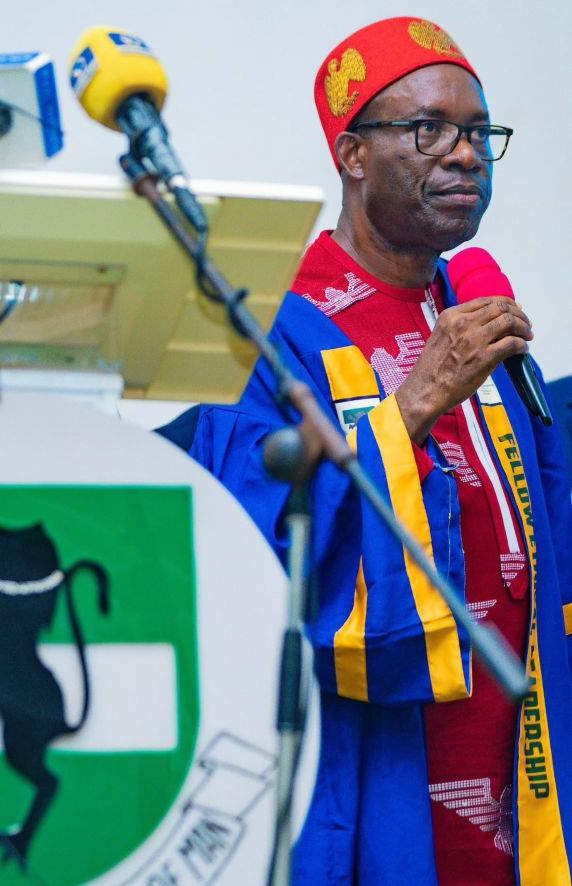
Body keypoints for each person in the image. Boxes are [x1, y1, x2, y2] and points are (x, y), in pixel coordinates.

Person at [188, 16, 572, 885]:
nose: (465, 155)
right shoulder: (272, 330)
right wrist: (415, 403)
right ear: (352, 154)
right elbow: (248, 543)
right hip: (376, 751)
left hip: (516, 740)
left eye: (479, 133)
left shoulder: (476, 317)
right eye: (429, 129)